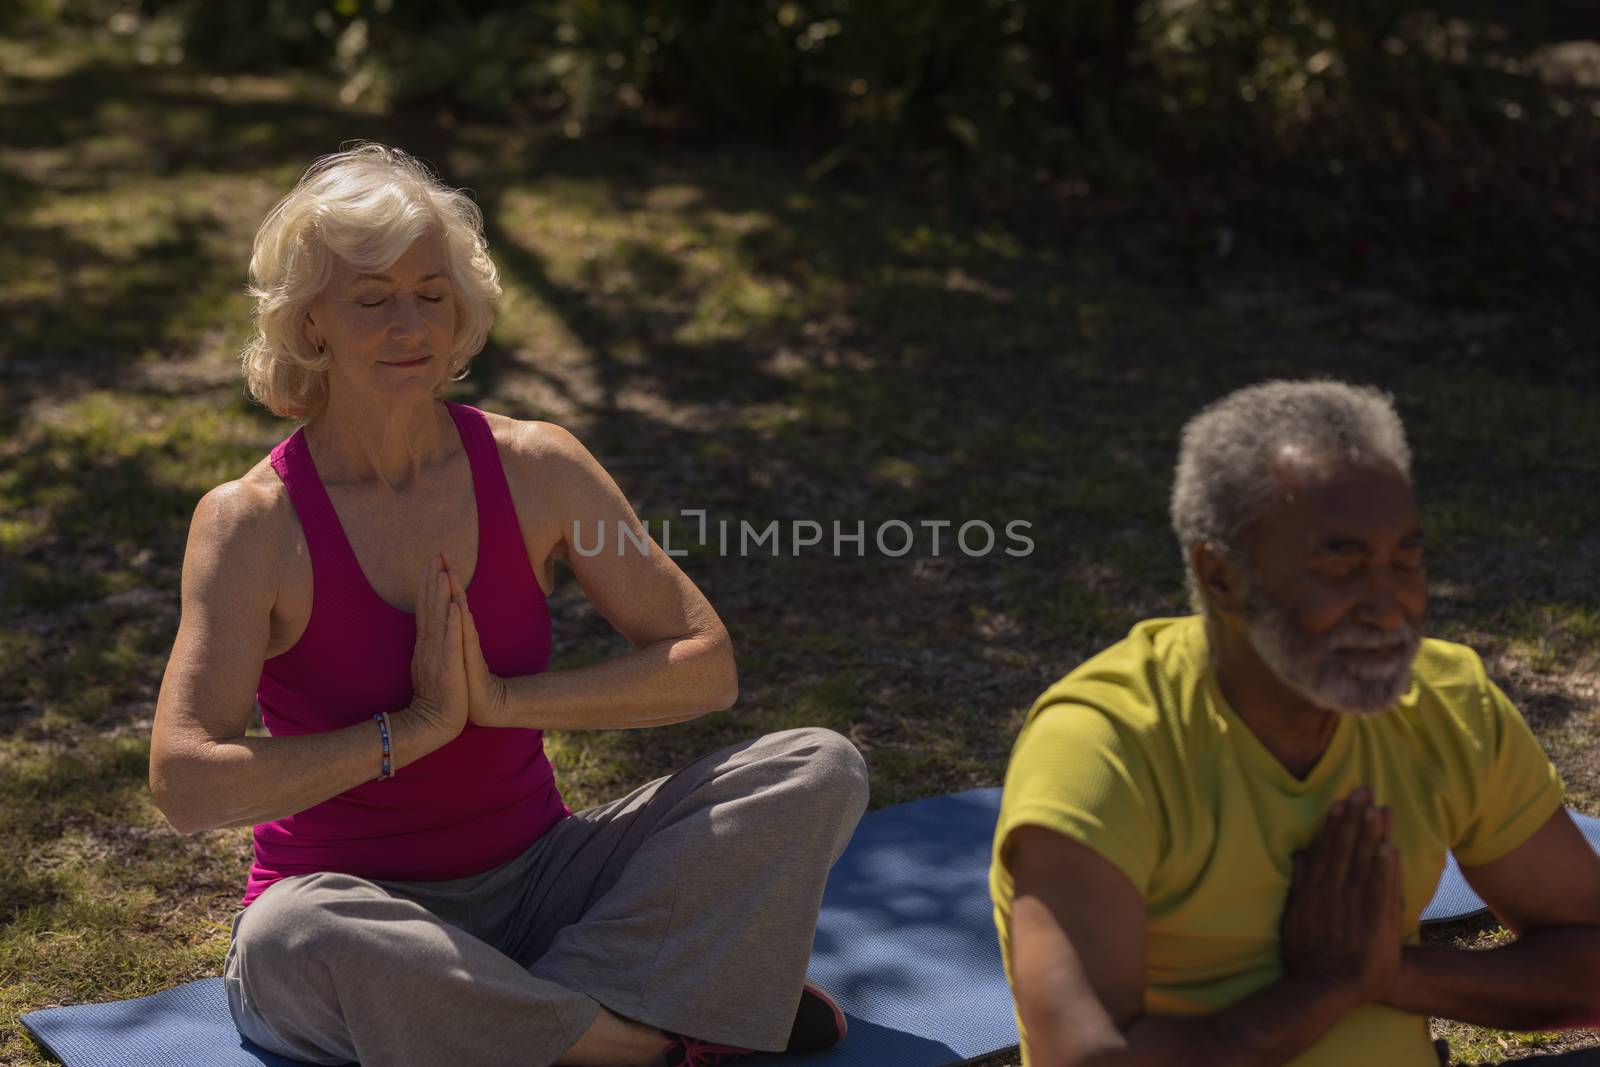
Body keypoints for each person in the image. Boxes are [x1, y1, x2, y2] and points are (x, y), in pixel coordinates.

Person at [148, 143, 869, 1067]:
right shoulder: (252, 523)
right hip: (353, 906)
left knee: (817, 765)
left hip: (543, 888)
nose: (411, 323)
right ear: (310, 323)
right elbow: (184, 781)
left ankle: (528, 1018)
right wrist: (410, 729)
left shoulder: (539, 470)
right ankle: (646, 1039)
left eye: (432, 292)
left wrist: (501, 703)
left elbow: (704, 662)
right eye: (372, 298)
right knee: (299, 936)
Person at [990, 379, 1600, 1067]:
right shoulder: (1104, 746)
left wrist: (1392, 973)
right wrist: (1320, 989)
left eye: (1407, 559)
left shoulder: (1447, 701)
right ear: (1221, 577)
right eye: (1340, 564)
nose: (1389, 605)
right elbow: (1087, 1058)